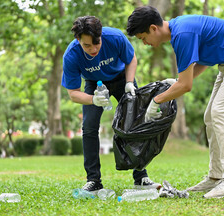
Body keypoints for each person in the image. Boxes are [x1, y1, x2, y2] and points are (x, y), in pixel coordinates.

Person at [126, 6, 224, 199]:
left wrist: (156, 102)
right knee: (210, 116)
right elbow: (202, 62)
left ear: (153, 28)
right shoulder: (179, 31)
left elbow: (186, 86)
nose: (145, 43)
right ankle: (216, 177)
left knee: (221, 112)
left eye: (143, 38)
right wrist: (176, 82)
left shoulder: (182, 34)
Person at [61, 16, 161, 194]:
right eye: (87, 45)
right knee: (89, 127)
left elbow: (131, 59)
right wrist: (93, 99)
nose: (93, 49)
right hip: (95, 84)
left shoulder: (115, 37)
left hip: (123, 77)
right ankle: (93, 180)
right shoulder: (71, 55)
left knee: (135, 123)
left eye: (96, 43)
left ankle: (141, 177)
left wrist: (130, 82)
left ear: (100, 35)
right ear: (78, 40)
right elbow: (73, 94)